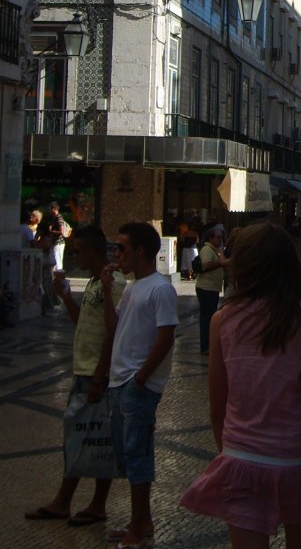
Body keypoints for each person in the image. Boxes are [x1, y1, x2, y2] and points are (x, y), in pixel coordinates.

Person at [180, 223, 301, 547]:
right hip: (297, 462)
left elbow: (218, 402)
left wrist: (227, 454)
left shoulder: (222, 320)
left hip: (242, 458)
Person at [24, 225, 126, 526]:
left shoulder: (112, 283)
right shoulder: (96, 282)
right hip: (85, 370)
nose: (73, 255)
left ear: (92, 252)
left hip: (97, 373)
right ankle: (66, 502)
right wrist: (66, 297)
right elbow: (84, 323)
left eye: (77, 251)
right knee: (83, 436)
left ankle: (93, 504)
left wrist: (99, 376)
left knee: (95, 439)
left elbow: (113, 332)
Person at [102, 222, 178, 548]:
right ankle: (141, 522)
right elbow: (115, 327)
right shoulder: (133, 287)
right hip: (120, 381)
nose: (116, 254)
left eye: (121, 248)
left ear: (140, 251)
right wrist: (107, 290)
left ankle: (138, 528)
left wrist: (142, 378)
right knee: (128, 454)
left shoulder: (161, 288)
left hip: (138, 386)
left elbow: (166, 336)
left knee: (138, 456)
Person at [195, 224, 227, 354]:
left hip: (212, 288)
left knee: (209, 316)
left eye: (221, 237)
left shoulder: (214, 250)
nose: (220, 240)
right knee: (207, 318)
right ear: (210, 238)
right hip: (206, 288)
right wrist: (220, 262)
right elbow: (206, 265)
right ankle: (205, 346)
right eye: (218, 237)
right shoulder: (207, 250)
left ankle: (208, 345)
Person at [48, 200, 69, 271]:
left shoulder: (59, 218)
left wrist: (52, 231)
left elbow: (61, 232)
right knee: (56, 263)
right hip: (55, 243)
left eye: (50, 208)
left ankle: (59, 278)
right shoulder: (54, 217)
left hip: (58, 243)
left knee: (58, 263)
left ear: (54, 209)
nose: (49, 210)